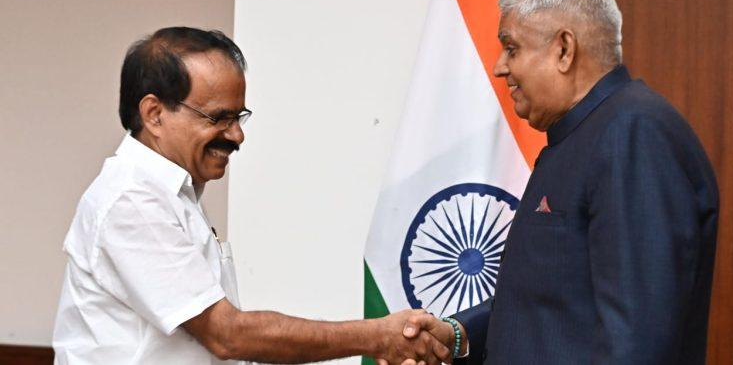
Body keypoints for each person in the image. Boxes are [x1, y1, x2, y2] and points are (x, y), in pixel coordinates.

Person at [52, 27, 451, 365]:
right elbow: (227, 335)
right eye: (218, 118)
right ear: (154, 114)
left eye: (239, 116)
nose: (237, 135)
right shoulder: (132, 199)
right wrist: (375, 336)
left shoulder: (173, 195)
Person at [402, 0, 719, 364]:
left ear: (564, 50)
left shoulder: (632, 133)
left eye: (512, 48)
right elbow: (548, 305)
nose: (500, 66)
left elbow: (637, 342)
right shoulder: (582, 135)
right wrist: (458, 335)